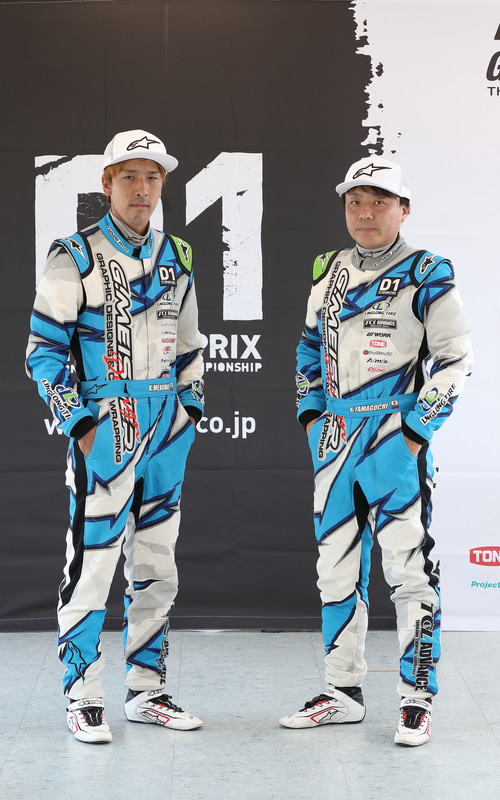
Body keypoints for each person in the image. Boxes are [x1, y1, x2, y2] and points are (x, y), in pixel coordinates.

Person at [280, 155, 472, 746]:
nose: (365, 213)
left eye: (379, 202)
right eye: (355, 202)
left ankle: (417, 698)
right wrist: (312, 417)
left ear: (403, 209)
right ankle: (342, 691)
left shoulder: (428, 271)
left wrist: (413, 435)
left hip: (395, 438)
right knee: (335, 572)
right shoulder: (329, 269)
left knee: (409, 572)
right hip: (336, 440)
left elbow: (456, 360)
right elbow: (307, 349)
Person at [26, 129, 205, 744]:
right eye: (129, 176)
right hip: (106, 427)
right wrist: (80, 426)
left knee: (157, 568)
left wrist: (188, 415)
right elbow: (43, 353)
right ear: (107, 184)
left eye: (152, 176)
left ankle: (146, 689)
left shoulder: (177, 256)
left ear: (163, 185)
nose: (141, 188)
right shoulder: (74, 255)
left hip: (165, 431)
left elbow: (191, 348)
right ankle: (82, 694)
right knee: (93, 567)